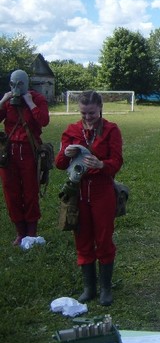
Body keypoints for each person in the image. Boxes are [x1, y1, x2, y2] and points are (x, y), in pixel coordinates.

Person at [55, 91, 123, 306]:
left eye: (92, 113)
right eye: (84, 113)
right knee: (82, 237)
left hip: (102, 190)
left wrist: (102, 165)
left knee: (103, 237)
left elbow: (117, 161)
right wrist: (66, 154)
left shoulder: (111, 130)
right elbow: (59, 164)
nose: (87, 117)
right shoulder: (72, 131)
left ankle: (105, 288)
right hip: (79, 191)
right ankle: (89, 287)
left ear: (100, 108)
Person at [0, 69, 50, 245]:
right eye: (12, 84)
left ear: (26, 84)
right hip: (8, 153)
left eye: (20, 84)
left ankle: (31, 233)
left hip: (29, 151)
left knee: (30, 192)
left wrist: (30, 103)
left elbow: (43, 120)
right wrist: (3, 101)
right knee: (11, 193)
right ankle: (20, 232)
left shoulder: (37, 99)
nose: (16, 88)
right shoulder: (7, 102)